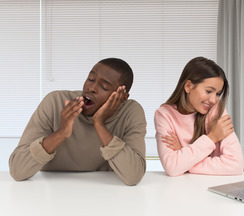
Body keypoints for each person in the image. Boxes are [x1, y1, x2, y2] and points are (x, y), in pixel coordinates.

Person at [9, 58, 147, 186]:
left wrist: (99, 123)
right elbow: (18, 171)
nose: (91, 88)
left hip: (106, 193)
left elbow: (133, 176)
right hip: (50, 189)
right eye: (91, 79)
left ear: (122, 97)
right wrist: (61, 133)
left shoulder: (131, 112)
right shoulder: (55, 102)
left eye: (104, 87)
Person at [154, 57, 244, 177]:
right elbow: (171, 167)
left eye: (218, 94)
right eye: (208, 91)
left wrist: (183, 155)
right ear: (188, 86)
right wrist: (212, 138)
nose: (213, 100)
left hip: (213, 186)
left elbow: (235, 165)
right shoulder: (164, 115)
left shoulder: (216, 109)